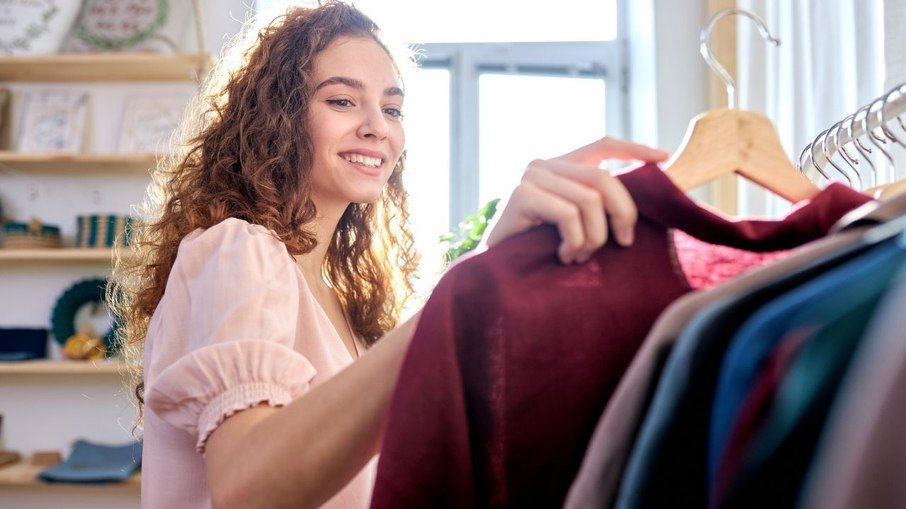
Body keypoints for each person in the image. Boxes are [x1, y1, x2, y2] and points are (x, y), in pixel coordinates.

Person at [109, 2, 668, 508]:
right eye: (342, 100)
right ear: (275, 118)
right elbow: (249, 490)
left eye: (392, 108)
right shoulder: (239, 251)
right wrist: (474, 283)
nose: (377, 127)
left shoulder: (348, 302)